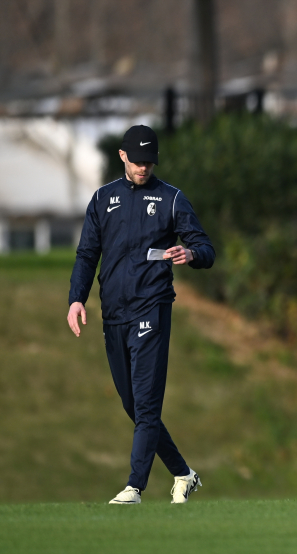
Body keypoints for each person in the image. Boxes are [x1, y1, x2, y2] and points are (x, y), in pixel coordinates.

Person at [67, 125, 215, 504]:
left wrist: (191, 254)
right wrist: (76, 299)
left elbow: (204, 246)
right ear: (122, 157)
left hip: (153, 306)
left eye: (150, 162)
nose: (143, 168)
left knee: (148, 403)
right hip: (114, 312)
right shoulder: (102, 199)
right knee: (132, 405)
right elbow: (87, 255)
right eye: (137, 161)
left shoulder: (171, 199)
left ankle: (135, 486)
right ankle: (183, 473)